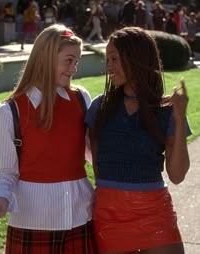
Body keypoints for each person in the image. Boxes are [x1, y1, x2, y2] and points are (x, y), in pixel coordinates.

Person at [0, 24, 96, 254]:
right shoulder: (10, 111)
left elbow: (92, 154)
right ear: (46, 58)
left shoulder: (81, 98)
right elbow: (5, 172)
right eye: (68, 61)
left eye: (76, 62)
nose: (73, 69)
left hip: (81, 217)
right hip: (32, 223)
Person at [85, 26, 191, 254]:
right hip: (109, 213)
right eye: (107, 59)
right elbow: (97, 166)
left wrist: (180, 118)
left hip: (154, 211)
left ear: (135, 59)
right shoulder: (99, 108)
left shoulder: (166, 110)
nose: (108, 66)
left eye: (114, 59)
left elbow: (177, 175)